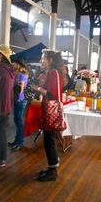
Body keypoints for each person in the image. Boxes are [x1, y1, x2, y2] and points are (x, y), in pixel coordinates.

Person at [32, 49, 66, 182]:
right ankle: (52, 166)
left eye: (43, 58)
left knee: (49, 141)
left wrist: (38, 88)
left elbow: (52, 94)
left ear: (50, 60)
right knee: (49, 139)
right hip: (51, 110)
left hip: (50, 110)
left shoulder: (53, 73)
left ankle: (53, 171)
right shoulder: (54, 72)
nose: (41, 60)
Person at [8, 57, 29, 151]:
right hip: (18, 100)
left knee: (19, 122)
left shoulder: (21, 75)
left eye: (13, 63)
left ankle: (19, 143)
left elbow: (20, 89)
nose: (11, 64)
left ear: (18, 65)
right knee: (17, 121)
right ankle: (17, 141)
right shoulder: (18, 75)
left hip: (20, 100)